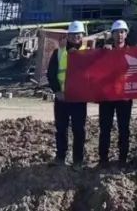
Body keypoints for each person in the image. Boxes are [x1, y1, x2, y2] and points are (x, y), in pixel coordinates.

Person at [46, 20, 89, 166]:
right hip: (62, 98)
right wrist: (57, 91)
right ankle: (60, 157)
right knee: (61, 129)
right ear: (68, 36)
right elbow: (51, 74)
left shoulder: (88, 53)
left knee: (79, 130)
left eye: (78, 34)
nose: (76, 37)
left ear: (82, 35)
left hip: (79, 99)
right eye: (73, 34)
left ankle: (78, 160)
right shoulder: (59, 53)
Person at [98, 19, 133, 166]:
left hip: (124, 97)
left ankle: (123, 158)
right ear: (112, 34)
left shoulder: (132, 52)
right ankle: (103, 158)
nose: (120, 35)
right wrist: (102, 51)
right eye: (117, 32)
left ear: (126, 34)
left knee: (124, 128)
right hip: (107, 96)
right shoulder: (105, 51)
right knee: (105, 128)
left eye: (122, 32)